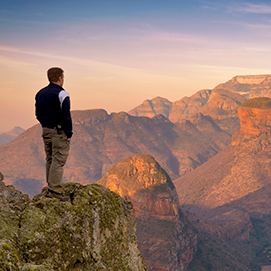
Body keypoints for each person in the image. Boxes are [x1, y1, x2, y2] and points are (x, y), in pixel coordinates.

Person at [35, 67, 72, 202]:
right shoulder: (62, 94)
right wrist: (68, 132)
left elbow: (38, 114)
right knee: (59, 159)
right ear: (60, 78)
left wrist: (45, 125)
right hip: (59, 131)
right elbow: (66, 115)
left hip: (46, 130)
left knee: (50, 158)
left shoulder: (40, 93)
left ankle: (51, 186)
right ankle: (55, 190)